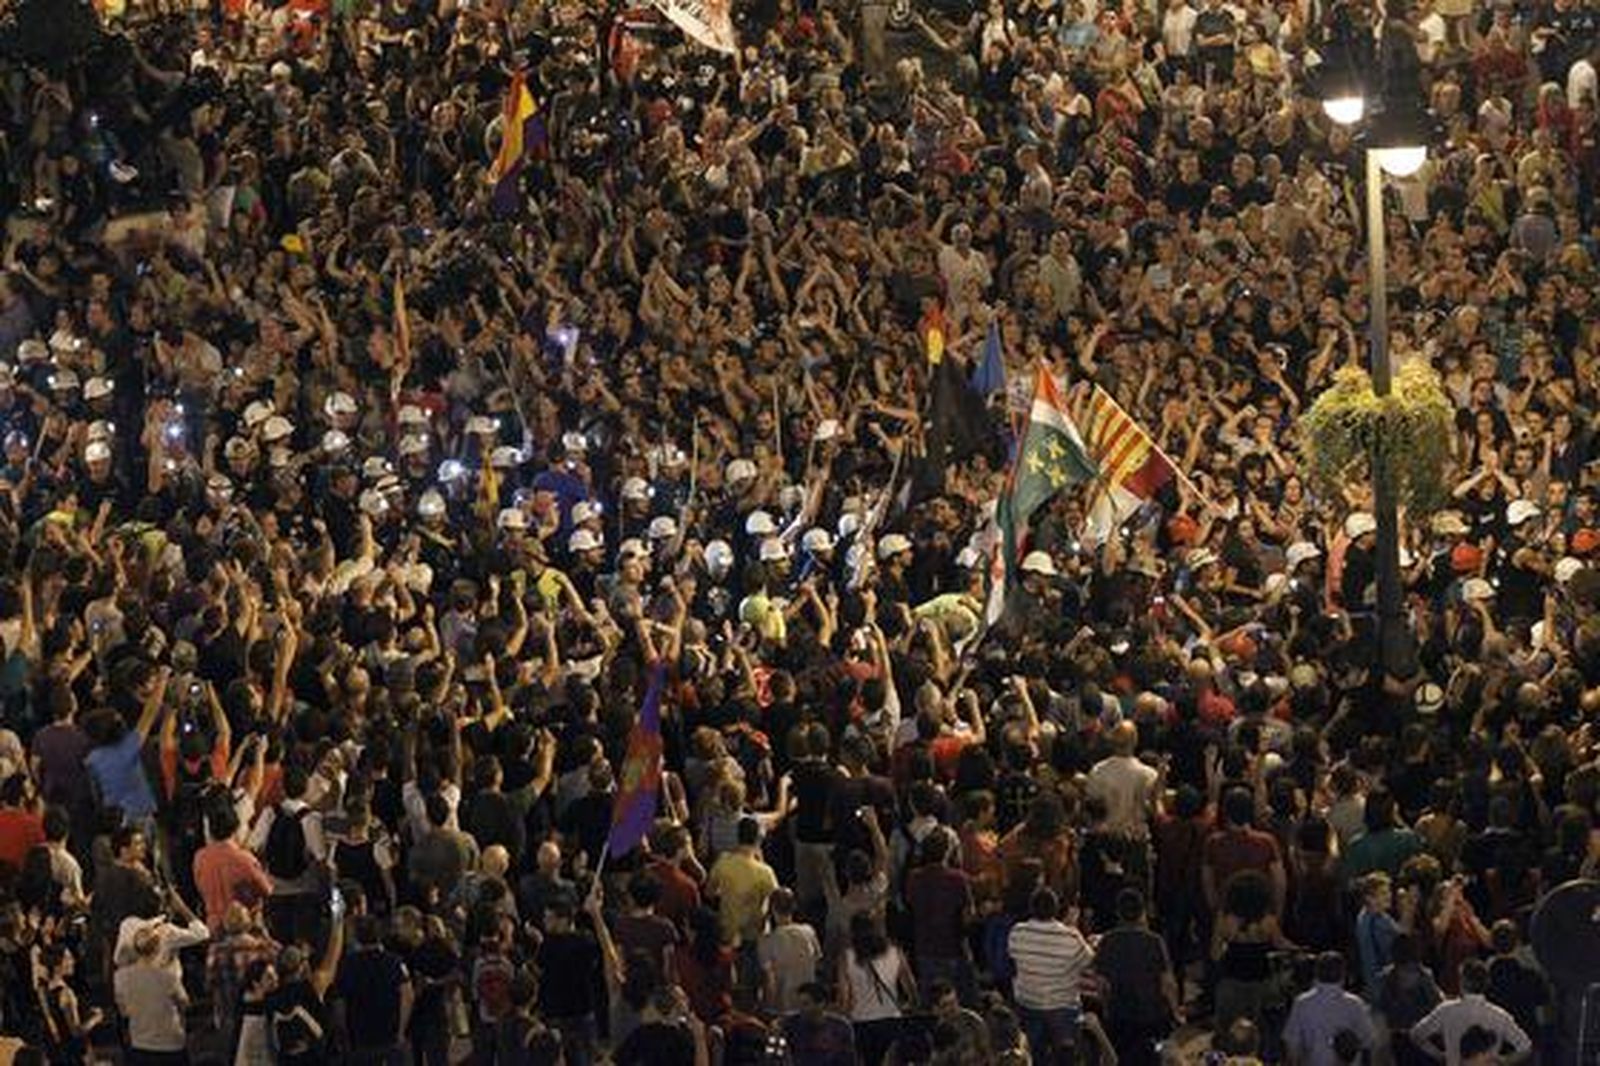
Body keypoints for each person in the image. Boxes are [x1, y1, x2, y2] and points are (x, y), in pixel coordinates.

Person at [1007, 887, 1093, 1066]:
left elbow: (1013, 957)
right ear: (1056, 909)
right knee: (1067, 1059)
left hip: (1028, 1004)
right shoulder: (1071, 936)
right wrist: (1073, 927)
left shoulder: (1017, 932)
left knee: (1034, 1057)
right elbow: (1089, 962)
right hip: (1063, 1007)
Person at [1095, 888, 1180, 1066]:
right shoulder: (1155, 941)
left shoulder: (1107, 941)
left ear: (1118, 913)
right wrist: (1175, 1011)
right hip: (1152, 1016)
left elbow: (1101, 984)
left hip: (1120, 1016)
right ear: (1142, 912)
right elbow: (1168, 984)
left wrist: (1107, 1009)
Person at [1410, 959, 1534, 1066]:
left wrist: (1440, 1056)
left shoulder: (1446, 1010)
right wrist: (1503, 1061)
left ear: (1462, 982)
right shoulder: (1500, 1015)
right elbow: (1526, 1047)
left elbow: (1416, 1034)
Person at [333, 914, 413, 1065]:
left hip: (361, 1038)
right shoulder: (395, 962)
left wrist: (344, 1034)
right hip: (390, 1036)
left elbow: (339, 1005)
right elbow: (408, 997)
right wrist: (401, 1031)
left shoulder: (347, 966)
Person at [1281, 952, 1378, 1066]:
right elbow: (1368, 1040)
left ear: (1316, 973)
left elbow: (1292, 1043)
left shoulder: (1302, 1003)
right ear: (1343, 974)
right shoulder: (1354, 1003)